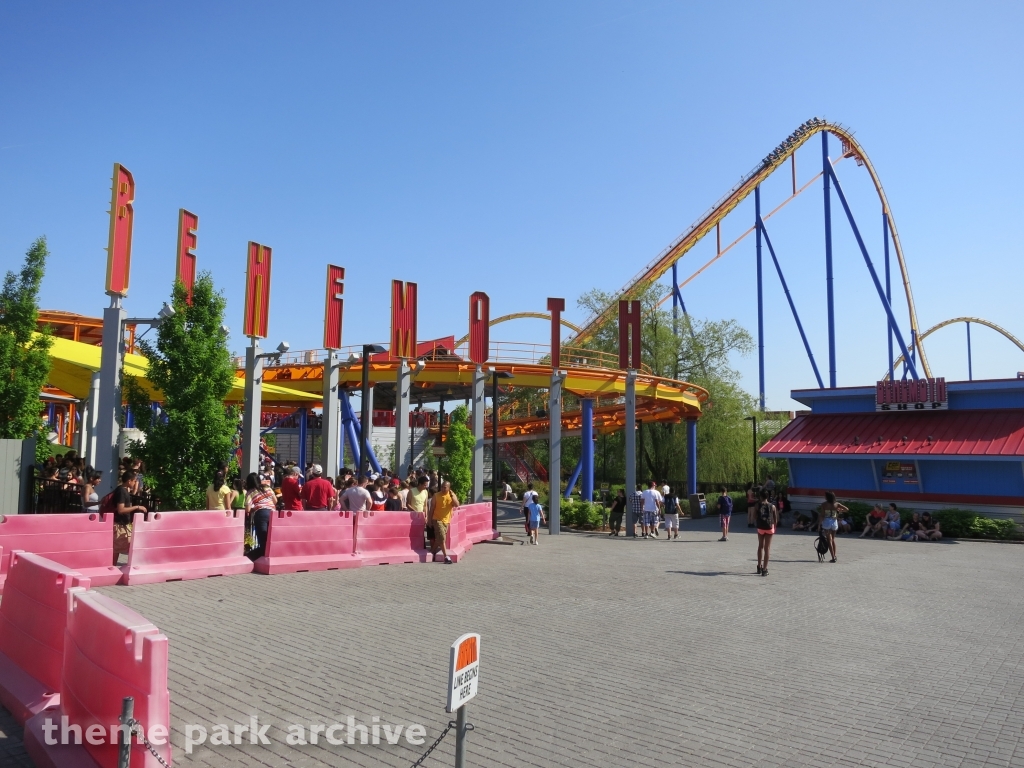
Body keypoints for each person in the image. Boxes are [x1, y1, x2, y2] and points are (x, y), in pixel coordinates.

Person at [112, 471, 147, 565]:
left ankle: (115, 566)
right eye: (134, 481)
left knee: (125, 545)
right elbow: (121, 509)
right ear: (129, 481)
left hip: (124, 524)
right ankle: (112, 567)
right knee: (117, 548)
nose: (135, 483)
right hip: (120, 524)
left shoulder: (124, 490)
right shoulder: (121, 491)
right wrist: (137, 507)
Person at [245, 473, 278, 561]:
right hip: (272, 514)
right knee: (271, 538)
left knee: (263, 540)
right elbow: (275, 500)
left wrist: (254, 508)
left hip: (260, 515)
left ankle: (255, 558)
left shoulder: (250, 492)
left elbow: (247, 509)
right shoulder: (267, 487)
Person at [428, 481, 459, 564]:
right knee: (442, 537)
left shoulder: (451, 495)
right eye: (442, 487)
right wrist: (429, 520)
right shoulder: (436, 495)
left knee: (440, 538)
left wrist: (452, 496)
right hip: (437, 519)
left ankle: (432, 551)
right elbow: (431, 509)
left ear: (449, 488)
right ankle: (446, 557)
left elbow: (457, 505)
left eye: (445, 487)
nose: (443, 488)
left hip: (447, 520)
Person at [754, 488, 779, 577]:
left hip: (760, 527)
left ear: (760, 496)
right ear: (768, 496)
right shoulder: (772, 506)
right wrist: (774, 527)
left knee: (760, 546)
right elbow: (775, 519)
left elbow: (754, 517)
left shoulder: (757, 505)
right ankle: (765, 570)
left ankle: (759, 566)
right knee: (767, 548)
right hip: (769, 528)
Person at [818, 491, 847, 563]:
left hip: (827, 522)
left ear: (827, 497)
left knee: (829, 540)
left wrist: (819, 524)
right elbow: (847, 509)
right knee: (833, 539)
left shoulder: (824, 504)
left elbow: (822, 515)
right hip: (834, 522)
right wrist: (840, 510)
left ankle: (833, 557)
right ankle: (834, 555)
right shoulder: (836, 504)